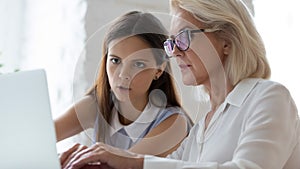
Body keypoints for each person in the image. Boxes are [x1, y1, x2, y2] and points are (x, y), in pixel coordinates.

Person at [61, 0, 300, 169]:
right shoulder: (202, 128)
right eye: (171, 43)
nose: (174, 52)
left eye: (184, 37)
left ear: (226, 41)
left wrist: (132, 162)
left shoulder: (268, 97)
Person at [55, 10, 193, 168]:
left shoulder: (174, 124)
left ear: (159, 70)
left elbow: (122, 165)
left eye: (138, 64)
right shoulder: (97, 105)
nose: (123, 75)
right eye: (115, 60)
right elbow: (38, 137)